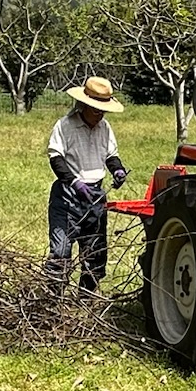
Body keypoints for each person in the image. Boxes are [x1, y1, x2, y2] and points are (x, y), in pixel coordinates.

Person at [46, 75, 129, 293]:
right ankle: (52, 302)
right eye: (95, 109)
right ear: (83, 105)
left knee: (95, 253)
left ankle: (87, 298)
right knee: (61, 252)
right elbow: (56, 158)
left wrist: (117, 169)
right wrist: (74, 181)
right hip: (67, 196)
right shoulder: (65, 126)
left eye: (103, 110)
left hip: (95, 196)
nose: (100, 114)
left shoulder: (105, 128)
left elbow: (111, 155)